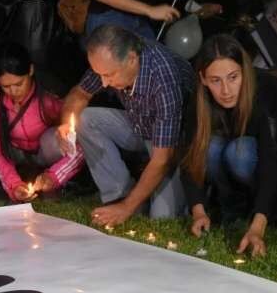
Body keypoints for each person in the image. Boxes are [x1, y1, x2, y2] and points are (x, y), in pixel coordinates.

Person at [56, 24, 194, 225]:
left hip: (174, 142)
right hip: (140, 124)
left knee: (162, 218)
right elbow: (80, 93)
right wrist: (66, 124)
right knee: (85, 119)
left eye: (109, 75)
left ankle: (136, 203)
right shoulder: (111, 59)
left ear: (131, 59)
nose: (104, 83)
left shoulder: (163, 77)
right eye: (99, 74)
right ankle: (118, 194)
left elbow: (162, 158)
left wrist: (126, 208)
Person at [181, 34, 277, 257]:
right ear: (203, 79)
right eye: (216, 80)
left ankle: (262, 214)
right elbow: (189, 158)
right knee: (210, 148)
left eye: (233, 77)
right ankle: (230, 211)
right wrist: (198, 211)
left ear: (245, 71)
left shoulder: (268, 92)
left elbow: (273, 163)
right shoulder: (200, 100)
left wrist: (258, 228)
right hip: (233, 169)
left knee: (239, 153)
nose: (226, 90)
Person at [0, 42, 85, 201]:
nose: (13, 91)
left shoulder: (49, 94)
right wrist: (13, 185)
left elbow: (80, 145)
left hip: (43, 154)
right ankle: (3, 181)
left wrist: (55, 176)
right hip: (11, 152)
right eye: (6, 86)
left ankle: (49, 183)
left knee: (59, 137)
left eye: (18, 84)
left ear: (30, 70)